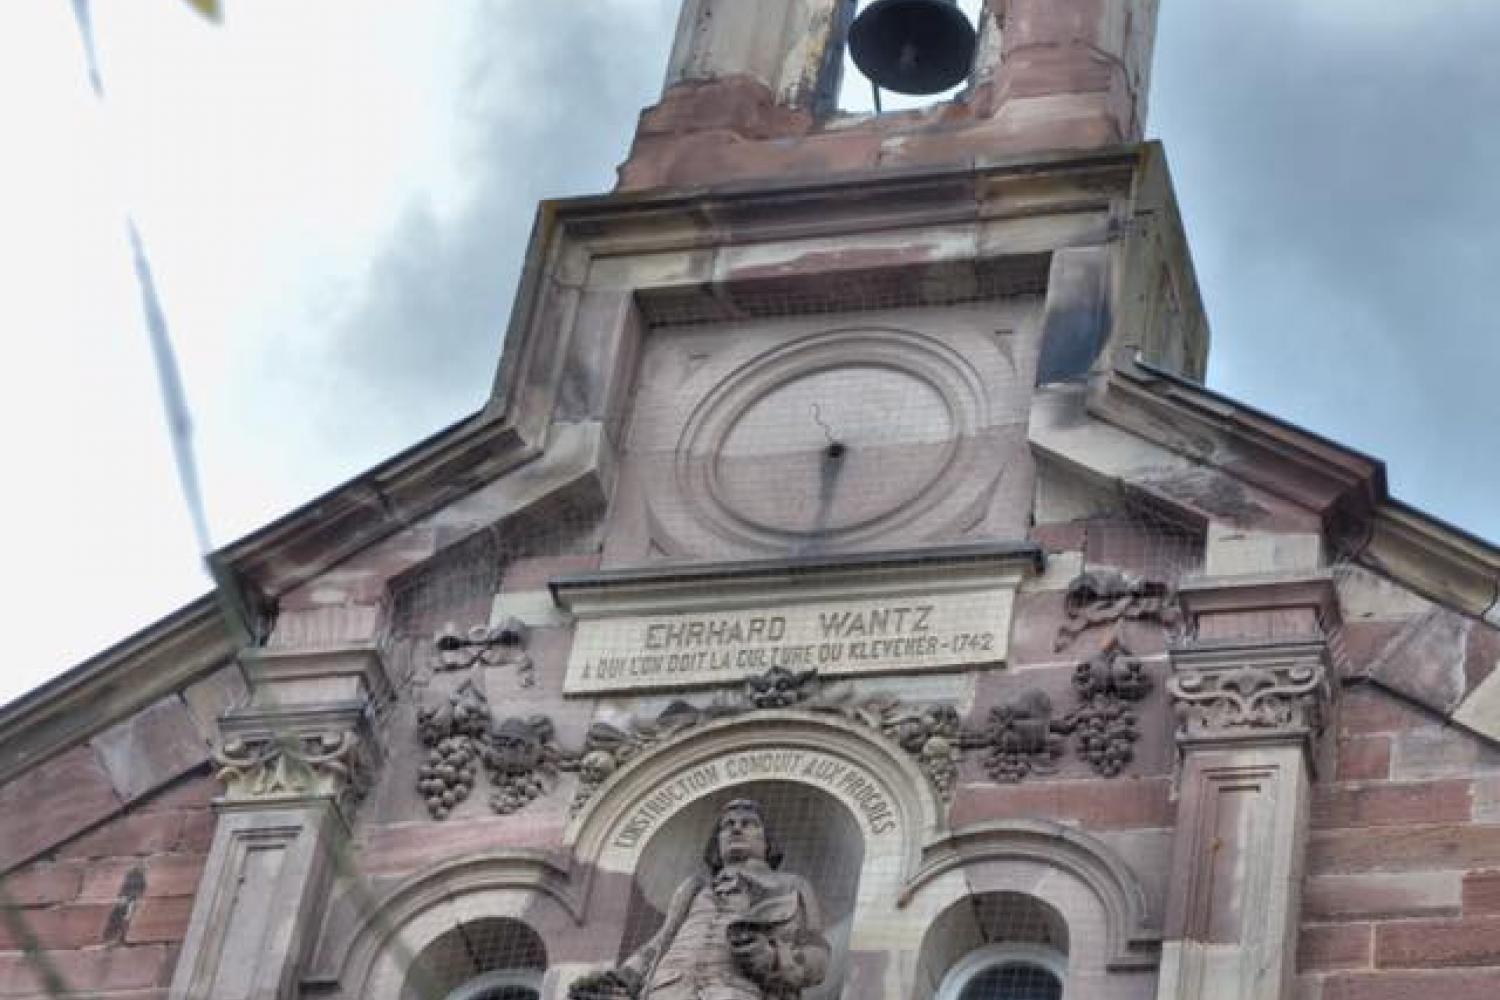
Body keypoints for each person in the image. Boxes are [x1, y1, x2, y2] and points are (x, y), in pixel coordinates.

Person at [570, 798, 830, 1000]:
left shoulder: (791, 884)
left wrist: (772, 958)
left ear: (767, 841)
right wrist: (620, 980)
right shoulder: (694, 887)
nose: (736, 828)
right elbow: (661, 941)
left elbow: (817, 957)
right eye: (727, 826)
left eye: (748, 823)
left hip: (735, 990)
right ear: (716, 843)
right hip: (667, 990)